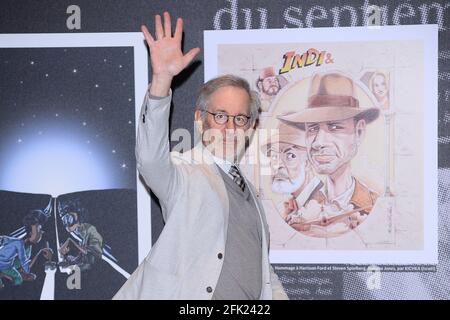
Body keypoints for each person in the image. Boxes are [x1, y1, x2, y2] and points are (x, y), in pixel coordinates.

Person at [113, 12, 287, 300]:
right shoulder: (184, 173)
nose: (230, 127)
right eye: (220, 116)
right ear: (199, 119)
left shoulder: (250, 193)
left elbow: (263, 273)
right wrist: (161, 81)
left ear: (251, 126)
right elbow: (150, 159)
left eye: (240, 118)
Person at [278, 72, 380, 237]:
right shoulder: (297, 206)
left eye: (334, 127)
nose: (319, 142)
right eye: (312, 128)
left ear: (359, 132)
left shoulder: (375, 206)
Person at [261, 121, 322, 222]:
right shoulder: (288, 205)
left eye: (290, 156)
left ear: (308, 163)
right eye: (274, 156)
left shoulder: (322, 205)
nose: (277, 165)